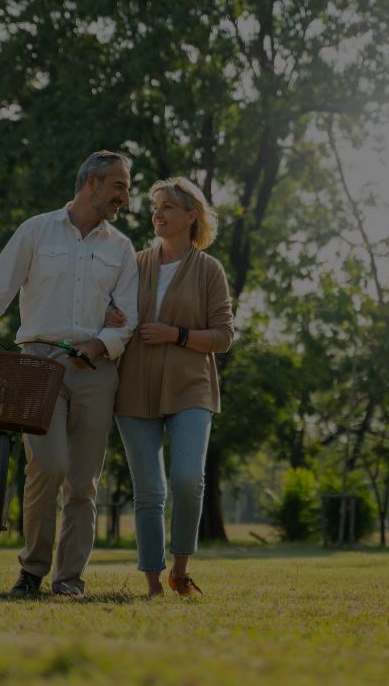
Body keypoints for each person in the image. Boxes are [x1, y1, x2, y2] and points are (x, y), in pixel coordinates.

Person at [0, 150, 140, 597]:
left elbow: (128, 318)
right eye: (119, 186)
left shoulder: (121, 248)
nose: (125, 196)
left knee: (83, 482)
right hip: (39, 366)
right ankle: (31, 572)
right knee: (47, 466)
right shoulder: (36, 230)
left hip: (96, 370)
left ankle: (68, 580)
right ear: (91, 183)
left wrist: (99, 344)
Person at [110, 176, 234, 597]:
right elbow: (109, 308)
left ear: (190, 216)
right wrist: (107, 316)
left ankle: (181, 569)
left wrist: (176, 335)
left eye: (166, 207)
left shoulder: (209, 270)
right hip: (134, 387)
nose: (157, 214)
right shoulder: (134, 262)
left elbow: (223, 337)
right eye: (155, 206)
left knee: (187, 479)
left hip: (190, 389)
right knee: (149, 489)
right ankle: (152, 584)